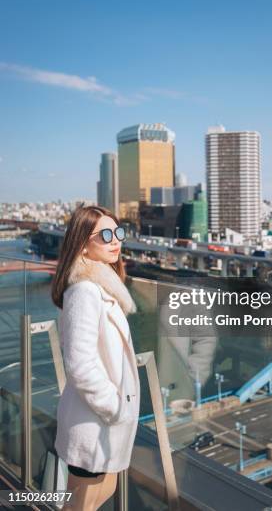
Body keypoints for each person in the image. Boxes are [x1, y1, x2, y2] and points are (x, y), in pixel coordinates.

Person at [51, 205, 140, 510]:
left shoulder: (101, 286)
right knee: (82, 504)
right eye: (104, 235)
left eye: (118, 232)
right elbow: (80, 364)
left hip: (100, 421)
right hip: (95, 421)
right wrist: (115, 408)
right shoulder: (85, 292)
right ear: (82, 243)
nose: (115, 240)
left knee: (96, 494)